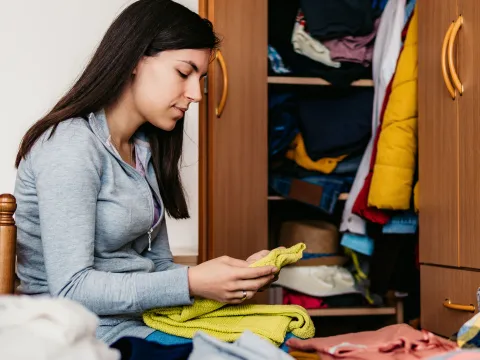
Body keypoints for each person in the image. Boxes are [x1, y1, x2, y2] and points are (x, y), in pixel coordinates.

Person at [13, 0, 278, 345]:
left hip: (141, 323)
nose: (195, 94)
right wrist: (192, 281)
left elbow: (158, 269)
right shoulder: (70, 146)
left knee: (271, 340)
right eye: (184, 73)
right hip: (84, 334)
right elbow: (72, 288)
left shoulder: (143, 150)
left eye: (200, 79)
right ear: (135, 61)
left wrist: (235, 277)